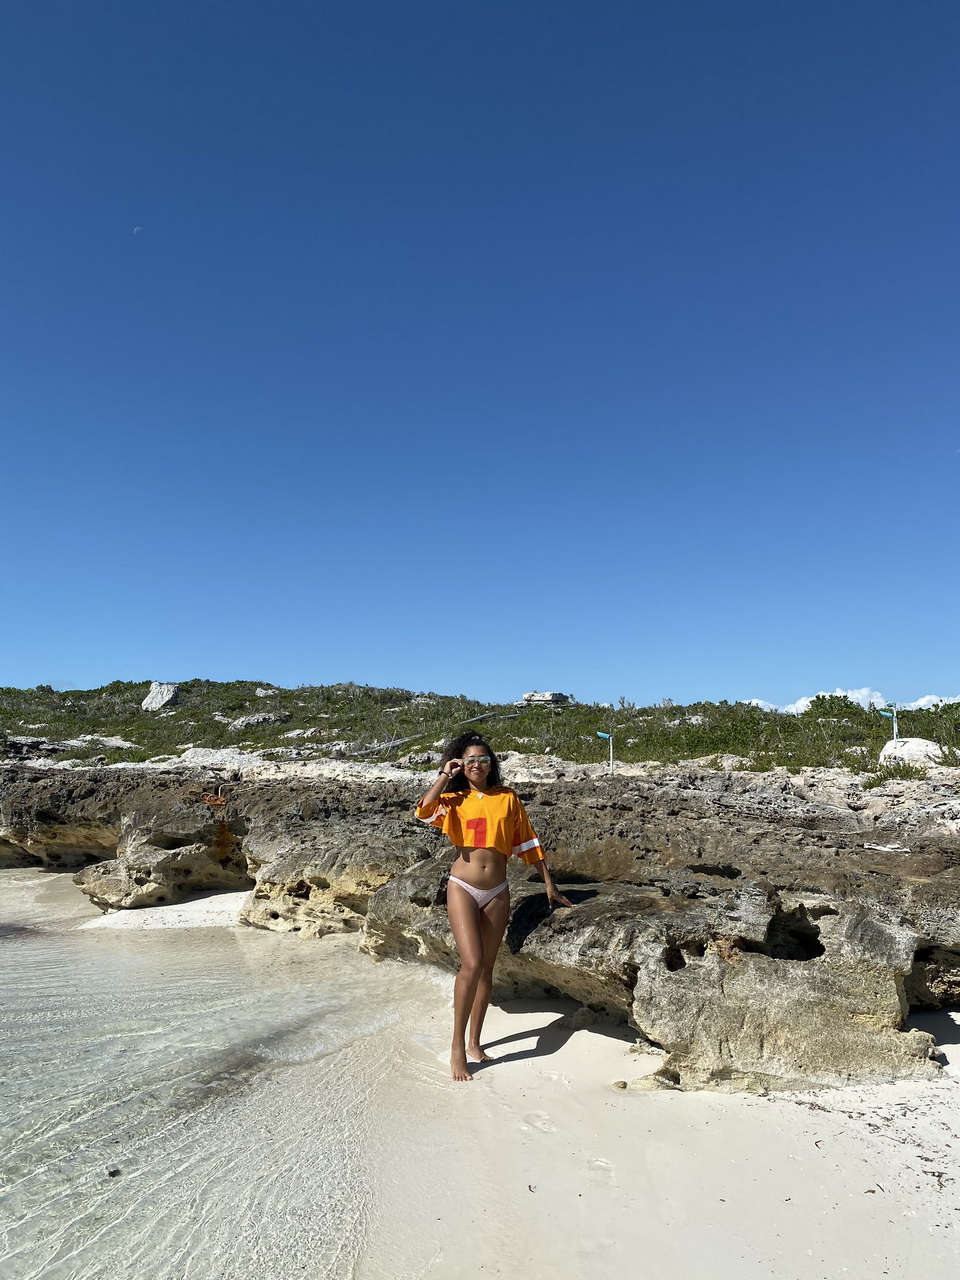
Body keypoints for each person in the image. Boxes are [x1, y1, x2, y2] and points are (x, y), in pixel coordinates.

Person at [415, 732, 572, 1082]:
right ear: (460, 763)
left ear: (491, 765)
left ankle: (475, 1041)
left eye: (483, 760)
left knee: (486, 969)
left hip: (498, 890)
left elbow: (529, 841)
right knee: (470, 964)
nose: (476, 765)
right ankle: (457, 1046)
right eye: (469, 760)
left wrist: (548, 882)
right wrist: (444, 774)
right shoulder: (454, 799)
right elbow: (423, 811)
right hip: (463, 887)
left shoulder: (507, 799)